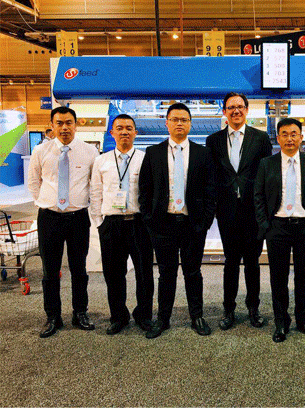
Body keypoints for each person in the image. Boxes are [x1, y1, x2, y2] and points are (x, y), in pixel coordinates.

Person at [139, 103, 216, 339]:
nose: (179, 123)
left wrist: (205, 221)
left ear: (190, 124)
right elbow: (145, 189)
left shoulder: (203, 153)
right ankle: (163, 319)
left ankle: (197, 316)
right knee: (166, 273)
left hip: (193, 224)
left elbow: (210, 189)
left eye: (184, 119)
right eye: (175, 119)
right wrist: (150, 220)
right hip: (163, 224)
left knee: (193, 272)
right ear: (167, 123)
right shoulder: (153, 153)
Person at [28, 106, 99, 338]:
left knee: (79, 269)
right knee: (50, 270)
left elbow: (94, 184)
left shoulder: (89, 151)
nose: (64, 127)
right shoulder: (41, 151)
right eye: (59, 123)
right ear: (52, 125)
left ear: (76, 125)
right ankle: (52, 316)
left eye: (69, 123)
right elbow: (33, 182)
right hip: (49, 218)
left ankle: (80, 312)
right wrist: (45, 202)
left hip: (78, 218)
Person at [254, 118, 305, 342]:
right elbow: (258, 196)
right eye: (284, 134)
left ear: (301, 137)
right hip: (277, 227)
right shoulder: (267, 164)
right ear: (278, 138)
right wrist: (265, 225)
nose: (289, 138)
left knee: (304, 277)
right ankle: (281, 322)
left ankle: (304, 320)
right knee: (278, 278)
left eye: (294, 134)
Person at [206, 92, 272, 330]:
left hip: (253, 212)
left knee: (253, 263)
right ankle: (229, 310)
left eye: (240, 106)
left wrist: (265, 211)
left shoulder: (261, 138)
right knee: (231, 262)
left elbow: (266, 175)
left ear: (247, 110)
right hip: (227, 212)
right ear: (224, 111)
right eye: (231, 107)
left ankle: (253, 308)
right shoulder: (213, 141)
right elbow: (211, 176)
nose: (236, 111)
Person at [90, 114, 154, 335]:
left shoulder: (145, 159)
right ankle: (118, 316)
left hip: (139, 224)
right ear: (112, 133)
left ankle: (144, 315)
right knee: (114, 274)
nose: (124, 131)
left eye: (129, 128)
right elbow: (95, 193)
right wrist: (99, 223)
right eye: (120, 128)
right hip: (111, 225)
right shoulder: (101, 161)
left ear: (136, 132)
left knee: (144, 273)